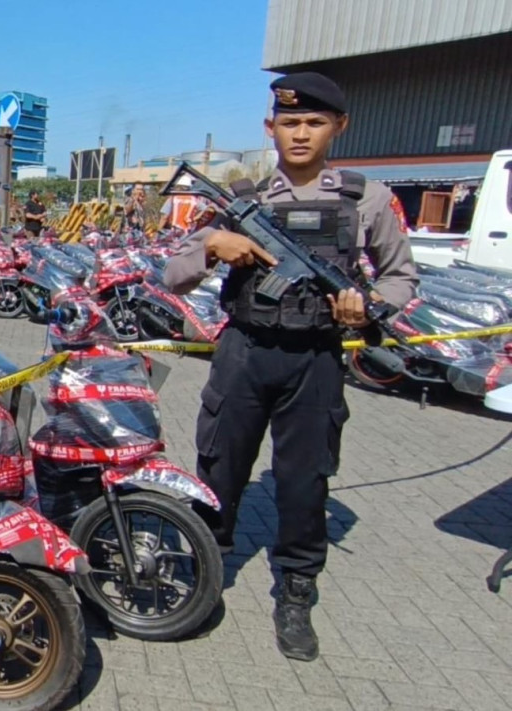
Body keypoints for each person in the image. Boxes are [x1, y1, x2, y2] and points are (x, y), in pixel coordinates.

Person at [163, 72, 417, 661]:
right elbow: (172, 274)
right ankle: (202, 579)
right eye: (289, 121)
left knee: (304, 483)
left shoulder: (366, 199)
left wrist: (366, 309)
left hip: (317, 361)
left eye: (315, 122)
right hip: (244, 354)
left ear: (339, 127)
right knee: (219, 471)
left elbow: (401, 277)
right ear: (270, 126)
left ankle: (296, 593)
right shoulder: (245, 197)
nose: (300, 133)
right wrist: (209, 246)